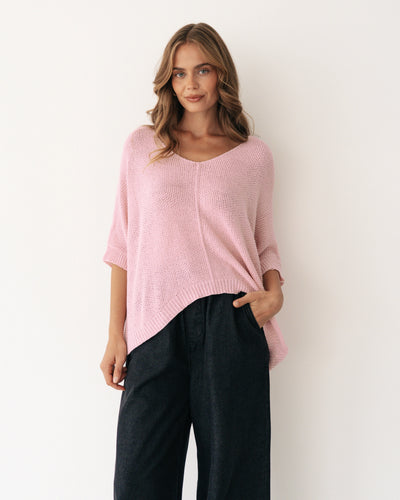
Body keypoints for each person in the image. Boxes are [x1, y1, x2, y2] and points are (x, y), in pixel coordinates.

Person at [100, 22, 287, 500]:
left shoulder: (254, 157)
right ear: (169, 80)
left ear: (221, 74)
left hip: (232, 320)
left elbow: (264, 242)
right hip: (154, 326)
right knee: (139, 480)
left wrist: (275, 294)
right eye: (180, 73)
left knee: (235, 482)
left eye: (202, 70)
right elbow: (122, 243)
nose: (191, 84)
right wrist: (116, 333)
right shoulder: (142, 146)